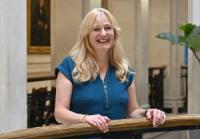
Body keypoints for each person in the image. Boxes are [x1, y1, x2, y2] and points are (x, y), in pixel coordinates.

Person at [54, 8, 166, 138]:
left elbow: (132, 111)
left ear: (115, 33)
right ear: (86, 35)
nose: (103, 34)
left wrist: (148, 112)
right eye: (96, 29)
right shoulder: (69, 66)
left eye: (108, 28)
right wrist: (85, 119)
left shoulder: (124, 69)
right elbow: (60, 113)